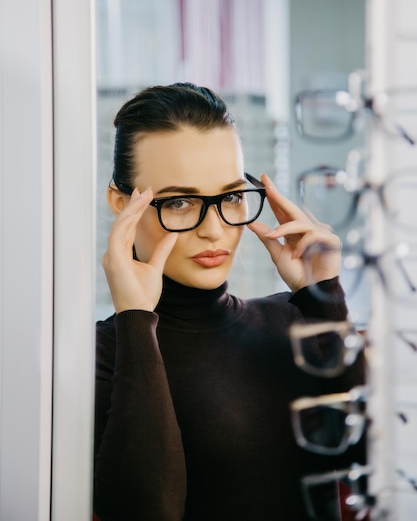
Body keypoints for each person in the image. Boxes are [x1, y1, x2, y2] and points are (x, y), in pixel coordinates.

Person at [94, 83, 365, 521]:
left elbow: (380, 469)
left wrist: (325, 298)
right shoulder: (105, 353)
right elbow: (148, 510)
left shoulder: (295, 322)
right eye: (180, 202)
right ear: (121, 204)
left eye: (231, 197)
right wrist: (136, 320)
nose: (214, 230)